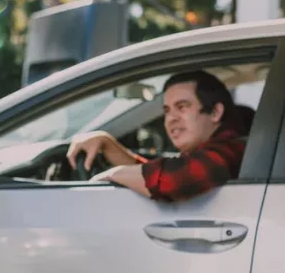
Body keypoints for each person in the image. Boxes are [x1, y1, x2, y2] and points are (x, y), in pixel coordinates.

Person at [66, 70, 247, 202]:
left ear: (215, 112)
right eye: (167, 111)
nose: (171, 119)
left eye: (182, 107)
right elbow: (156, 174)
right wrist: (106, 143)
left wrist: (112, 175)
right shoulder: (211, 148)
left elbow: (176, 179)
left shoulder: (232, 147)